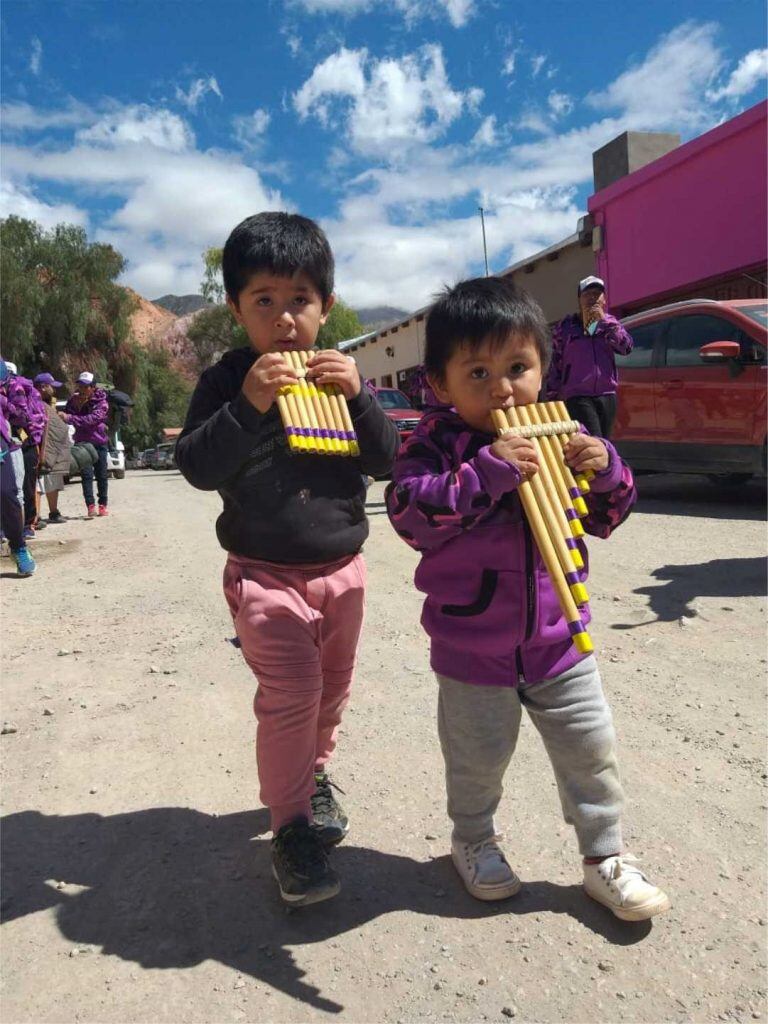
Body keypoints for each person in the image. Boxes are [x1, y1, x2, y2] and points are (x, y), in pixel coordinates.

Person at [385, 276, 669, 922]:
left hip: (562, 643)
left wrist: (607, 468)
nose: (502, 388)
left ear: (543, 368)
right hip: (471, 650)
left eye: (518, 367)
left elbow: (603, 519)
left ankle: (605, 858)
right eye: (478, 372)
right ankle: (475, 840)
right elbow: (409, 516)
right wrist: (485, 473)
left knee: (591, 753)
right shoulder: (431, 446)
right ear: (439, 384)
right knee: (477, 762)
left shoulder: (560, 437)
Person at [176, 212, 399, 907]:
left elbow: (389, 461)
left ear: (325, 307)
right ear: (237, 309)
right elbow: (196, 466)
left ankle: (316, 772)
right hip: (263, 577)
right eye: (263, 301)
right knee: (292, 698)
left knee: (331, 693)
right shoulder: (226, 381)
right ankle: (292, 829)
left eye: (299, 299)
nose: (283, 319)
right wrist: (248, 404)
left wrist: (361, 399)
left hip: (343, 573)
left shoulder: (342, 380)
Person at [545, 275, 633, 439]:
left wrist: (606, 324)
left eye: (597, 294)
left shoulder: (611, 324)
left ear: (604, 299)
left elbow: (626, 348)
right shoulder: (565, 327)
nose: (592, 298)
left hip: (607, 394)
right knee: (593, 441)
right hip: (578, 396)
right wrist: (553, 396)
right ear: (579, 300)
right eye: (587, 294)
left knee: (605, 444)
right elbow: (556, 361)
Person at [1, 361, 48, 538]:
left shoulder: (20, 390)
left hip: (24, 441)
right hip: (11, 441)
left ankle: (26, 525)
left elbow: (23, 417)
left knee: (25, 485)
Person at [0, 360, 35, 576]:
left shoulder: (12, 388)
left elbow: (24, 418)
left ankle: (18, 547)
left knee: (7, 494)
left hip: (3, 442)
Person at [62, 371, 110, 518]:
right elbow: (65, 415)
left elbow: (92, 419)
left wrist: (71, 417)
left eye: (86, 386)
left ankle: (103, 505)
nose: (82, 389)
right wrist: (72, 411)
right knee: (86, 476)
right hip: (82, 443)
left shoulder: (101, 402)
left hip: (99, 442)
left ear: (93, 387)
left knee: (101, 475)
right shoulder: (73, 401)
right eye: (80, 385)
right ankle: (90, 506)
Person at [33, 373, 72, 524]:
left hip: (52, 449)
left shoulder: (50, 403)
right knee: (37, 484)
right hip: (40, 448)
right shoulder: (34, 403)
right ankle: (35, 516)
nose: (53, 390)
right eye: (51, 386)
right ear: (43, 387)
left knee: (53, 480)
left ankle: (53, 512)